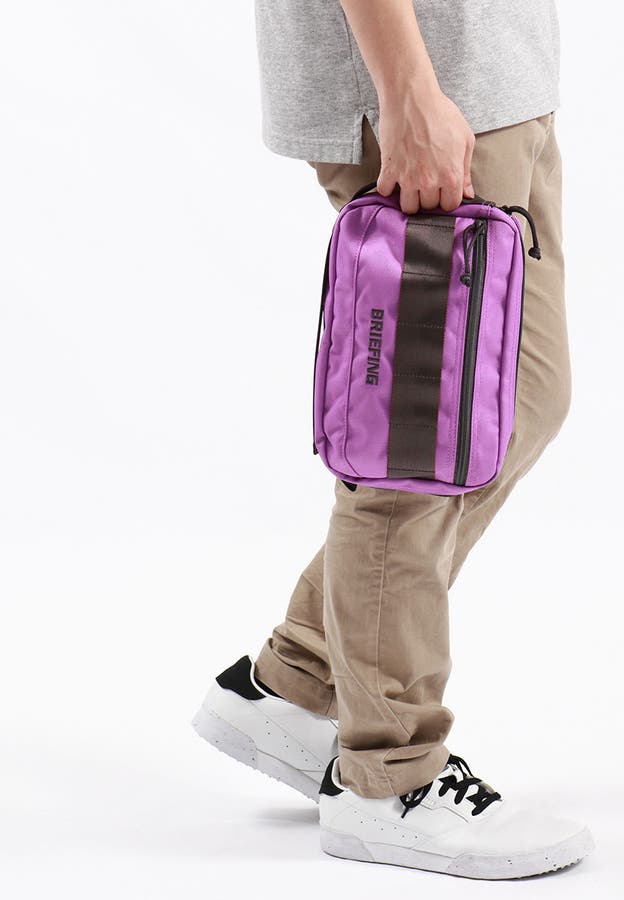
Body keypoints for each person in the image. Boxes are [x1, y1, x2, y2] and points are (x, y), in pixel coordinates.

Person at [192, 0, 594, 879]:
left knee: (526, 398)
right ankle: (389, 775)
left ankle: (299, 684)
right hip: (423, 87)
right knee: (416, 452)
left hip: (495, 80)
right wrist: (407, 92)